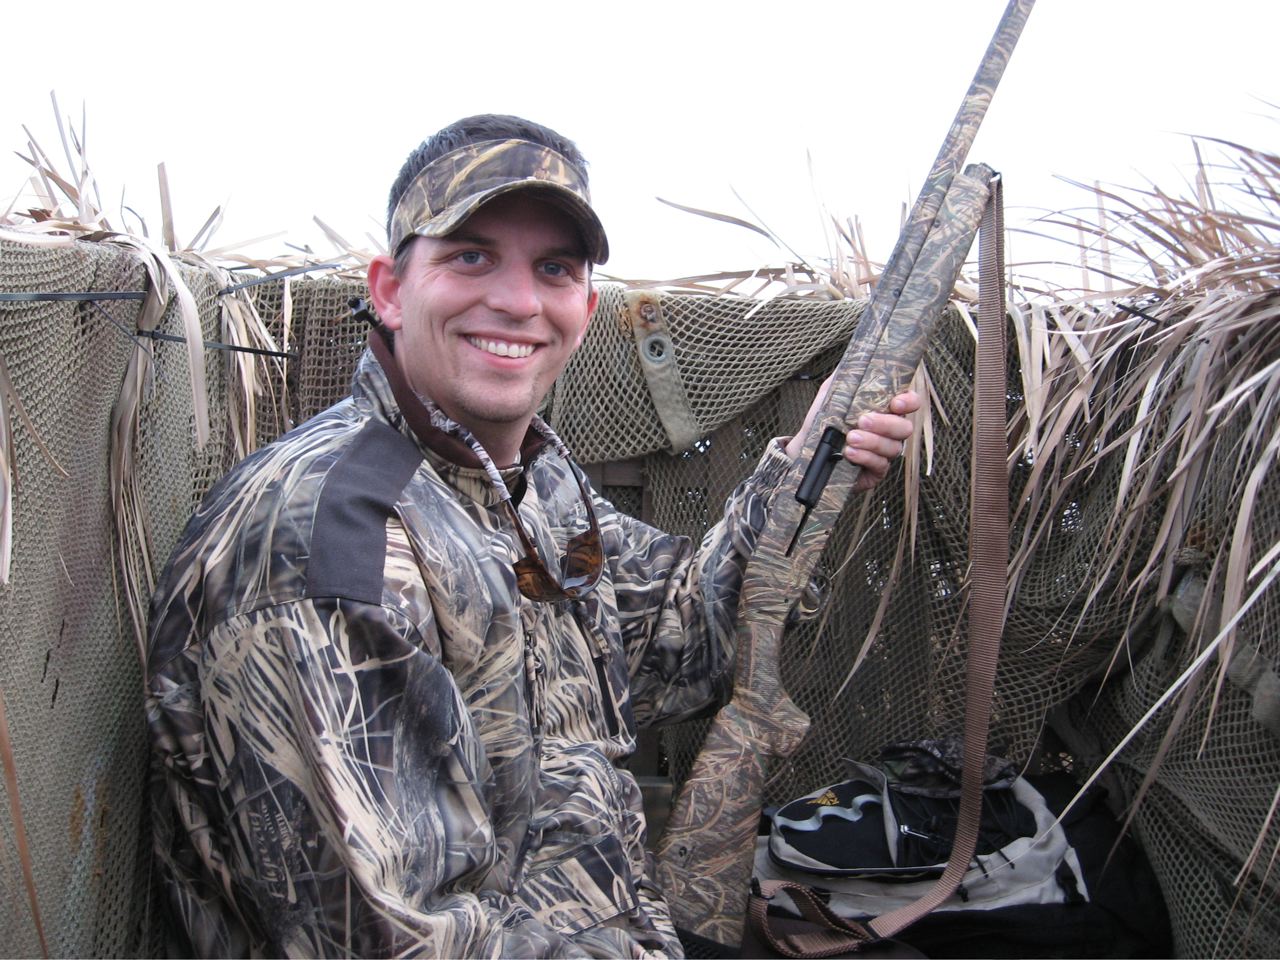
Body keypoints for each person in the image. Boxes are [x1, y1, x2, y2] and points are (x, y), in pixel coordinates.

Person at [145, 114, 918, 958]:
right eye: (471, 257)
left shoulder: (527, 483)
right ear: (390, 290)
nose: (518, 302)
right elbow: (400, 944)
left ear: (585, 307)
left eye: (554, 268)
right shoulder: (333, 547)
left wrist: (804, 475)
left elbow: (679, 639)